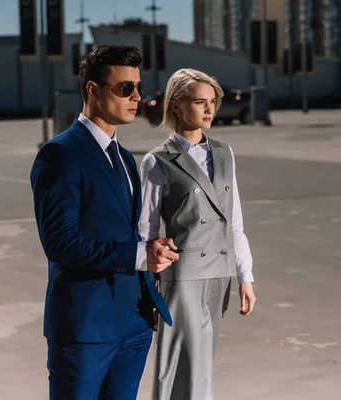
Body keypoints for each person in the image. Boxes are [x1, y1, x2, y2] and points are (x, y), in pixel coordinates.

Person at [30, 45, 179, 400]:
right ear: (93, 90)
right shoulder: (61, 155)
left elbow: (129, 232)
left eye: (138, 88)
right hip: (86, 327)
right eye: (124, 88)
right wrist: (138, 256)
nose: (136, 97)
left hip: (134, 323)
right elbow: (59, 244)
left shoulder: (126, 158)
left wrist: (147, 290)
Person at [139, 68, 257, 400]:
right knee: (180, 367)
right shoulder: (156, 161)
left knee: (203, 363)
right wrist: (148, 291)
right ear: (176, 106)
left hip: (219, 274)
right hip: (183, 277)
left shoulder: (224, 153)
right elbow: (146, 233)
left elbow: (234, 222)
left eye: (213, 102)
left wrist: (245, 276)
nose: (209, 109)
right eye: (199, 102)